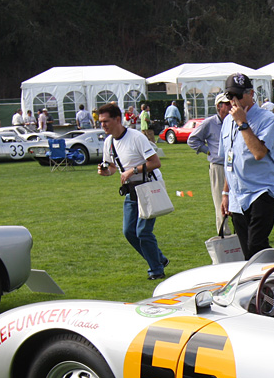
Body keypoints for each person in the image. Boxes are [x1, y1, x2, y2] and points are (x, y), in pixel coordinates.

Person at [96, 102, 169, 280]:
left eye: (106, 121)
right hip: (131, 191)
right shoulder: (109, 142)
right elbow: (113, 167)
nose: (103, 125)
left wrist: (133, 170)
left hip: (149, 187)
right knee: (129, 231)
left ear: (118, 119)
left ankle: (156, 270)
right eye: (101, 122)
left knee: (143, 232)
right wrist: (106, 172)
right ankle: (158, 259)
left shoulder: (136, 137)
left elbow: (155, 162)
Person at [219, 73, 274, 258]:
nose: (234, 101)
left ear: (251, 94)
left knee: (256, 246)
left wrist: (242, 123)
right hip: (237, 195)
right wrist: (225, 193)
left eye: (238, 96)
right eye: (230, 97)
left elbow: (259, 153)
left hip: (262, 191)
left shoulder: (267, 119)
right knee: (248, 252)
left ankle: (269, 281)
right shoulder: (227, 122)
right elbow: (228, 160)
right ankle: (266, 282)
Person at [187, 92, 234, 235]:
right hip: (219, 167)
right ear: (219, 106)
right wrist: (208, 151)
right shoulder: (210, 122)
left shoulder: (234, 120)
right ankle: (224, 234)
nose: (230, 105)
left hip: (235, 166)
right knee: (221, 201)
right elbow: (192, 140)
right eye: (226, 103)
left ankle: (241, 234)